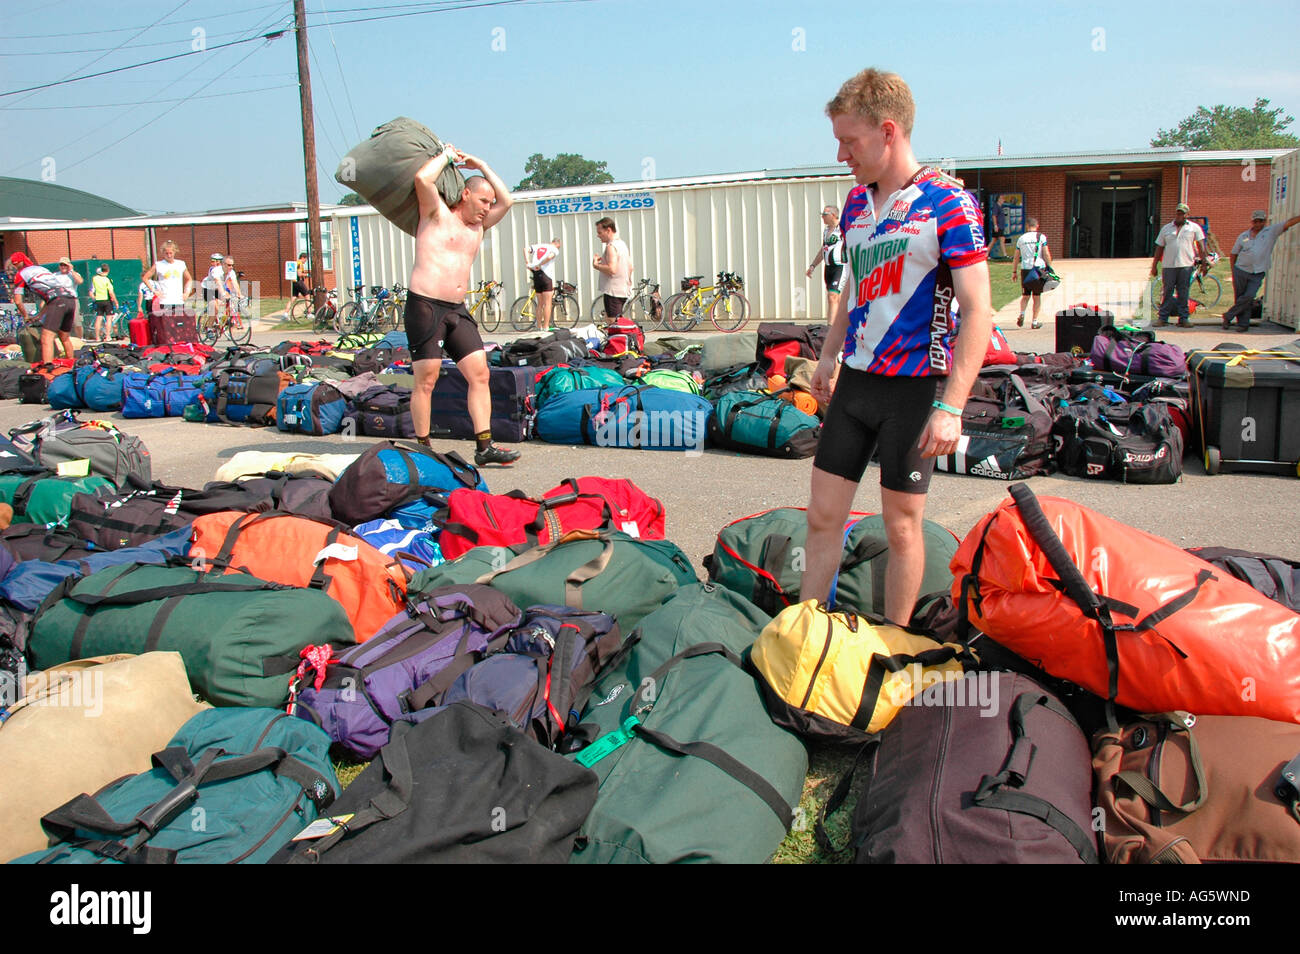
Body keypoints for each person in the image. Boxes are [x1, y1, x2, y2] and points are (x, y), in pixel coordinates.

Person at [800, 68, 992, 626]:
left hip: (914, 390)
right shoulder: (857, 202)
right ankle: (810, 633)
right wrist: (829, 354)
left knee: (902, 527)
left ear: (888, 131)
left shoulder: (949, 202)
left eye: (849, 141)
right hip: (857, 383)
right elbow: (856, 287)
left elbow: (979, 309)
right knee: (821, 517)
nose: (841, 154)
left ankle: (896, 644)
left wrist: (952, 408)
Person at [404, 142, 519, 466]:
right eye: (483, 201)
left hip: (457, 309)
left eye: (489, 203)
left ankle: (484, 448)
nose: (487, 208)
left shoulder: (478, 227)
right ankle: (423, 448)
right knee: (427, 379)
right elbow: (422, 180)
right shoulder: (435, 212)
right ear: (465, 195)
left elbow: (507, 200)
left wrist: (480, 163)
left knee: (479, 373)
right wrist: (447, 157)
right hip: (426, 305)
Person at [1221, 209, 1300, 331]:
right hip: (1241, 269)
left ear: (1265, 221)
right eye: (1256, 221)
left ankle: (1228, 315)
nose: (1258, 224)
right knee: (1240, 296)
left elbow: (1288, 223)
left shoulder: (1271, 231)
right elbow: (1234, 254)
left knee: (1249, 295)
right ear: (1252, 222)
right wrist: (1233, 270)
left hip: (1258, 271)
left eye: (1261, 221)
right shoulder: (1243, 236)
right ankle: (1243, 324)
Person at [4, 252, 78, 363]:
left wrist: (25, 316)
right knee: (64, 337)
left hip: (58, 302)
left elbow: (18, 301)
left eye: (15, 265)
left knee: (46, 337)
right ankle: (71, 366)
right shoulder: (40, 269)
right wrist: (39, 315)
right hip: (71, 300)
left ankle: (47, 370)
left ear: (20, 263)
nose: (14, 268)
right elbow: (50, 298)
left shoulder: (21, 274)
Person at [1149, 202, 1207, 328]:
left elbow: (1201, 247)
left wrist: (1204, 263)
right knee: (1167, 292)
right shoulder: (1166, 228)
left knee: (1183, 292)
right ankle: (1162, 318)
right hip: (1169, 266)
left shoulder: (1194, 228)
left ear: (1187, 215)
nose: (1180, 215)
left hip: (1186, 265)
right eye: (1179, 212)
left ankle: (1183, 319)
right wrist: (1154, 266)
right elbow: (1159, 248)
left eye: (1183, 213)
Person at [805, 205, 847, 321]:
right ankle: (838, 325)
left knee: (832, 296)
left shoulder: (843, 228)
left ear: (833, 215)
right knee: (834, 298)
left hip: (840, 266)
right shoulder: (826, 230)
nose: (822, 217)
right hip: (828, 267)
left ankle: (830, 326)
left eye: (824, 215)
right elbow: (823, 249)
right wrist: (813, 265)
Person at [1010, 217, 1052, 328]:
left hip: (1025, 269)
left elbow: (1016, 257)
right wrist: (1050, 267)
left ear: (1027, 226)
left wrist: (1014, 272)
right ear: (1037, 225)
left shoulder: (1021, 239)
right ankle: (1034, 321)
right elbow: (1046, 253)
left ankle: (1022, 313)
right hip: (1038, 268)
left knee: (1025, 295)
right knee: (1037, 296)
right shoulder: (1041, 237)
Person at [592, 217, 632, 325]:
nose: (598, 235)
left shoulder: (611, 246)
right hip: (623, 289)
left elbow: (612, 269)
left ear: (608, 230)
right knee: (620, 321)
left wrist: (596, 265)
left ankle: (617, 341)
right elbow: (630, 267)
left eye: (600, 232)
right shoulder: (622, 244)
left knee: (613, 322)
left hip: (613, 291)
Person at [142, 241, 194, 322]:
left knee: (179, 324)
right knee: (168, 325)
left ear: (175, 252)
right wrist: (154, 291)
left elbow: (189, 279)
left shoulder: (181, 264)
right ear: (163, 253)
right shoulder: (158, 265)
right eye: (166, 253)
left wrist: (187, 292)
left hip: (178, 300)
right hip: (165, 300)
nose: (169, 255)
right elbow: (145, 278)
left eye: (171, 253)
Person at [524, 237, 561, 330]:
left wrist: (528, 263)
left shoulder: (540, 246)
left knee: (540, 303)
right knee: (548, 303)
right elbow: (550, 257)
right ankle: (546, 326)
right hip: (546, 275)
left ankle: (539, 326)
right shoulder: (554, 249)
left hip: (536, 274)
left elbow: (526, 249)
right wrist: (540, 264)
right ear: (557, 244)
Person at [90, 263, 118, 340]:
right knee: (109, 318)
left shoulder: (95, 279)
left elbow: (91, 292)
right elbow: (111, 292)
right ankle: (108, 336)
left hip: (98, 300)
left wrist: (94, 298)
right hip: (107, 300)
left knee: (99, 318)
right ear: (108, 270)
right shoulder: (107, 279)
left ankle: (97, 337)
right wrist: (116, 301)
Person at [202, 252, 226, 321]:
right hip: (208, 290)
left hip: (216, 289)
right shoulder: (213, 269)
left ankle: (220, 319)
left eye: (214, 261)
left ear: (219, 262)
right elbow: (217, 281)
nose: (212, 262)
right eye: (211, 261)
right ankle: (209, 328)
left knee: (226, 303)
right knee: (215, 309)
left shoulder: (222, 269)